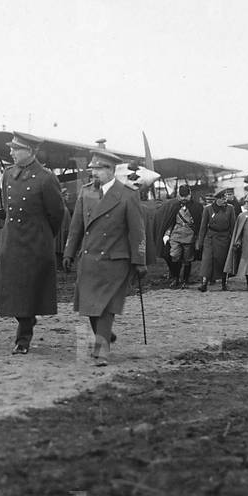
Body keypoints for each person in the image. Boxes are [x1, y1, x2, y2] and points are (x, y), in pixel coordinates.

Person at [62, 149, 147, 366]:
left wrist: (140, 260)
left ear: (110, 170)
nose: (93, 174)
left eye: (98, 169)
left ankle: (101, 351)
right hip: (89, 260)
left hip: (115, 261)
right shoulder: (87, 192)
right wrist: (69, 252)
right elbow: (76, 226)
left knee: (105, 307)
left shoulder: (128, 194)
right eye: (92, 169)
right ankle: (105, 334)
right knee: (90, 307)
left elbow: (137, 231)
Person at [0, 133, 66, 354]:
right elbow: (6, 207)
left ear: (31, 152)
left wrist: (43, 235)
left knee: (28, 290)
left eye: (16, 149)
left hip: (35, 241)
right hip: (12, 239)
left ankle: (23, 338)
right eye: (11, 148)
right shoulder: (8, 175)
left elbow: (57, 213)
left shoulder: (46, 178)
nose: (11, 152)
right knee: (5, 287)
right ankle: (27, 319)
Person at [195, 185, 237, 291]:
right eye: (223, 198)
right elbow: (203, 226)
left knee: (222, 260)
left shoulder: (230, 209)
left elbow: (233, 226)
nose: (225, 200)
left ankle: (224, 282)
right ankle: (204, 283)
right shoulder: (208, 209)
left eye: (225, 198)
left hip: (224, 238)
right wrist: (200, 242)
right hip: (210, 238)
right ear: (217, 199)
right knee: (207, 260)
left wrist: (235, 240)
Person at [165, 185, 196, 288]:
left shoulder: (196, 206)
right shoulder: (174, 206)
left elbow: (199, 221)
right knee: (174, 256)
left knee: (187, 259)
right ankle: (175, 278)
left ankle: (185, 280)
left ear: (189, 195)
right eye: (182, 196)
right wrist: (167, 234)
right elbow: (170, 221)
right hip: (176, 235)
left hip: (189, 235)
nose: (183, 198)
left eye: (185, 196)